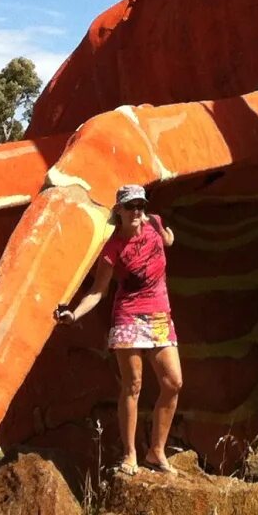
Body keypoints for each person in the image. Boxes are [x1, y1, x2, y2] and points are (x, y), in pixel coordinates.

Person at [56, 183, 181, 475]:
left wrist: (167, 235)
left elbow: (169, 241)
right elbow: (98, 291)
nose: (137, 211)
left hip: (160, 316)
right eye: (130, 206)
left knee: (173, 383)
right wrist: (74, 314)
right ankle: (130, 455)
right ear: (119, 211)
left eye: (140, 205)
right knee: (133, 385)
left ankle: (156, 451)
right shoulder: (113, 248)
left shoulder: (154, 223)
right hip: (128, 316)